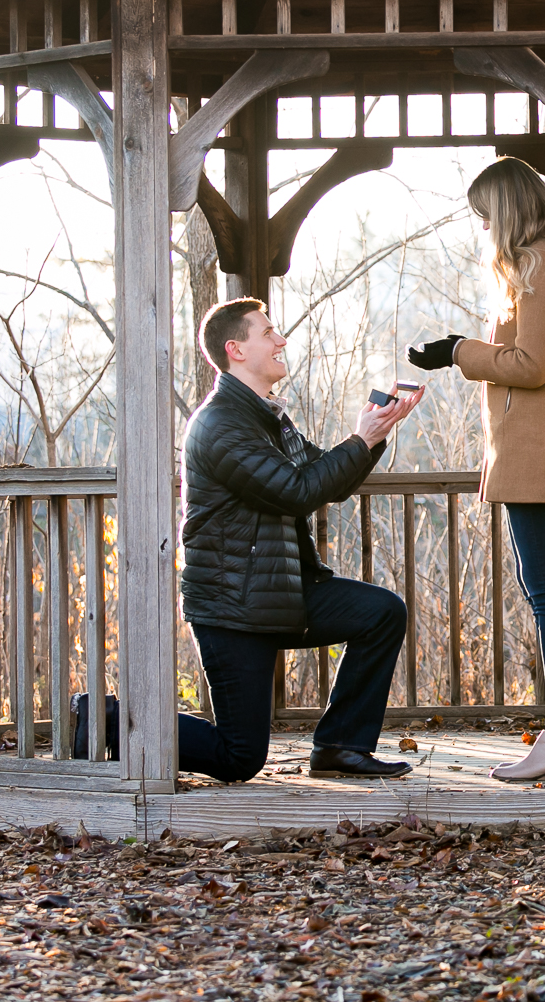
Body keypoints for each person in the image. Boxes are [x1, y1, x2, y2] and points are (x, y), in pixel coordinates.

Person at [179, 297, 424, 781]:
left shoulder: (268, 417)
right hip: (233, 606)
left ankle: (340, 747)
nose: (281, 340)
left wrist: (371, 436)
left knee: (382, 612)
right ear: (236, 350)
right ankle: (105, 722)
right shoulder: (220, 423)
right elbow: (297, 491)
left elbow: (325, 478)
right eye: (267, 333)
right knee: (238, 758)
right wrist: (359, 440)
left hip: (281, 591)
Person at [407, 157, 545, 782]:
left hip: (541, 448)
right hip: (530, 447)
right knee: (543, 587)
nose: (483, 229)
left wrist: (460, 350)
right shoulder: (544, 261)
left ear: (507, 210)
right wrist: (461, 349)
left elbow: (532, 364)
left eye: (485, 216)